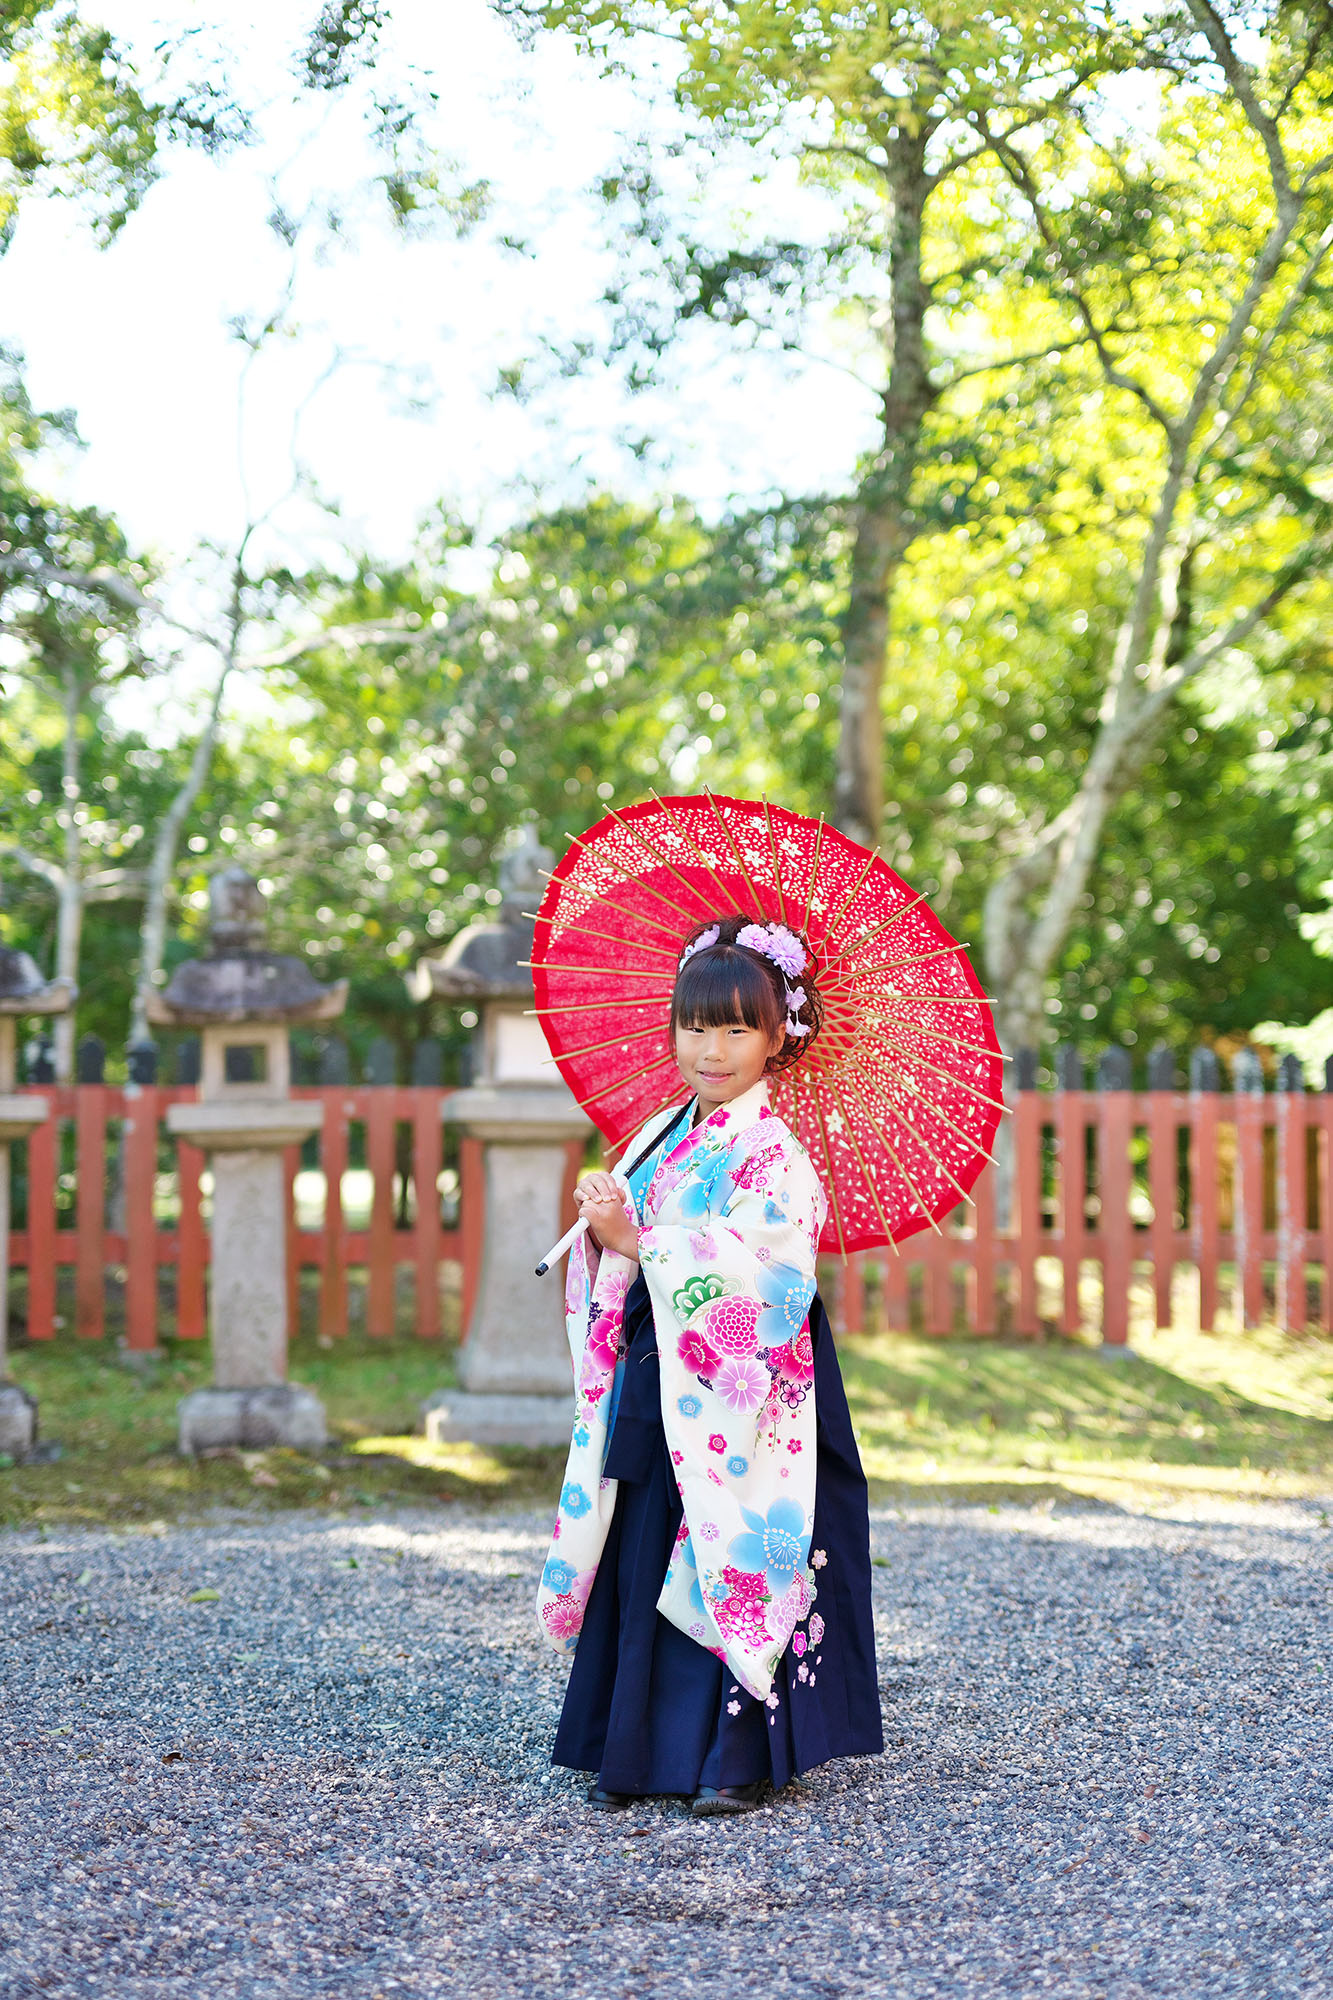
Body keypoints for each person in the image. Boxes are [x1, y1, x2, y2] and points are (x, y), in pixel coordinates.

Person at [537, 914, 883, 1815]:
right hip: (662, 1364)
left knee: (719, 1542)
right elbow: (633, 1245)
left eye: (735, 1028)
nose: (711, 1048)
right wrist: (607, 1221)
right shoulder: (661, 1131)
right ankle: (638, 1748)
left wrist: (643, 1239)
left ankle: (730, 1756)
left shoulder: (776, 1153)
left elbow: (768, 1271)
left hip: (744, 1379)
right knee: (647, 1535)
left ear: (777, 1036)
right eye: (695, 1026)